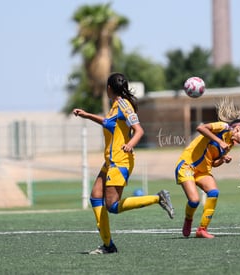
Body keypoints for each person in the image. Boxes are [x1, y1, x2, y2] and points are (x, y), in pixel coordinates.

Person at [73, 72, 174, 254]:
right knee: (96, 197)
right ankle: (108, 245)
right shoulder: (114, 107)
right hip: (110, 161)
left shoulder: (123, 105)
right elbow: (107, 123)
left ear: (109, 88)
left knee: (112, 206)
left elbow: (139, 130)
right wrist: (87, 115)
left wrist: (130, 144)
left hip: (120, 161)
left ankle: (158, 198)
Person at [175, 97, 240, 238]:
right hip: (187, 166)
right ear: (237, 128)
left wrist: (222, 159)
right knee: (194, 201)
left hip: (203, 170)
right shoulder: (223, 127)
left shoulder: (230, 144)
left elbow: (213, 163)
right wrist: (219, 141)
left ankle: (202, 230)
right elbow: (200, 128)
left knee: (214, 192)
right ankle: (188, 220)